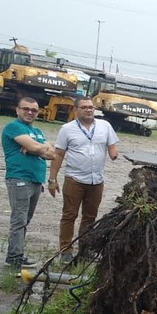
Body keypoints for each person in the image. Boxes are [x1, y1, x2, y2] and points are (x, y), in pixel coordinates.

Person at [47, 96, 120, 263]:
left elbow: (112, 145)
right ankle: (66, 250)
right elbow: (58, 154)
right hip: (75, 179)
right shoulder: (67, 129)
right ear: (76, 110)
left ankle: (85, 249)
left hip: (96, 181)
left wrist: (113, 153)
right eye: (84, 107)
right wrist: (52, 179)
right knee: (69, 215)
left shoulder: (105, 126)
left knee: (90, 217)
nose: (89, 110)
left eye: (91, 107)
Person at [1, 97, 55, 270]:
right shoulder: (13, 127)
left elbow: (52, 154)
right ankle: (14, 257)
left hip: (36, 180)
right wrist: (39, 148)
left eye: (34, 110)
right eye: (26, 109)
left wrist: (39, 147)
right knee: (19, 219)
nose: (30, 112)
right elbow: (39, 149)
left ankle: (17, 253)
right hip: (19, 179)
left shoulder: (37, 130)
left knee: (26, 219)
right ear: (17, 110)